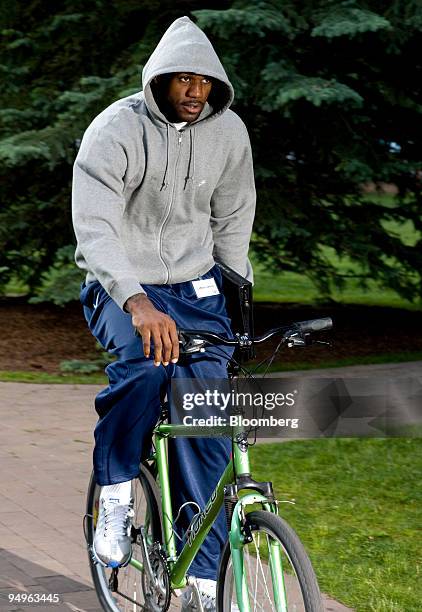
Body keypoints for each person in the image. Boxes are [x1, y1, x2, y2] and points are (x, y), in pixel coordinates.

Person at [72, 15, 255, 609]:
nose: (195, 91)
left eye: (204, 81)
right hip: (121, 285)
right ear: (159, 82)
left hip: (195, 286)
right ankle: (118, 485)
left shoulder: (230, 134)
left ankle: (202, 577)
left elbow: (232, 222)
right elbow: (95, 226)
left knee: (207, 416)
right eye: (182, 80)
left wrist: (240, 304)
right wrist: (136, 299)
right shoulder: (116, 128)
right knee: (148, 367)